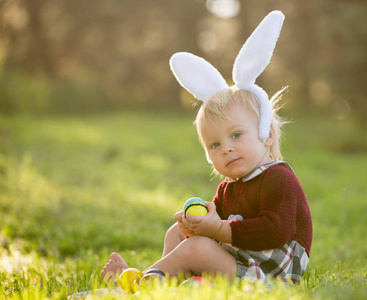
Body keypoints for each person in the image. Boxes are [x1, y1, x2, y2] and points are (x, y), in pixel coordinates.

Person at [101, 10, 312, 285]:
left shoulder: (279, 178)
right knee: (176, 235)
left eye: (236, 135)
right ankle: (169, 280)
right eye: (215, 144)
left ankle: (147, 285)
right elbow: (214, 227)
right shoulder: (229, 187)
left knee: (197, 248)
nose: (226, 148)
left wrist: (219, 228)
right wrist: (194, 225)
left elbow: (274, 232)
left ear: (266, 133)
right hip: (241, 262)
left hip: (271, 275)